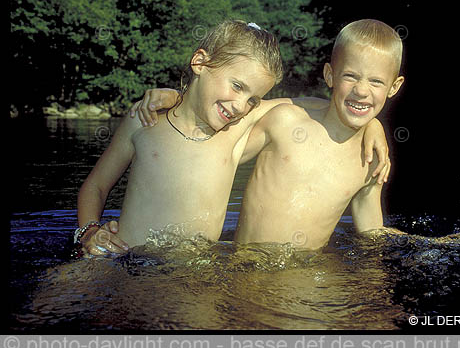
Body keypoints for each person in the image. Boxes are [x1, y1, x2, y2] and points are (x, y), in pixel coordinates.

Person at [75, 19, 391, 257]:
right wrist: (88, 232)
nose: (241, 105)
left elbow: (306, 105)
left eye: (253, 99)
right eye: (238, 87)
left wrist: (372, 124)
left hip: (193, 273)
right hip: (119, 258)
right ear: (199, 63)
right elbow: (95, 186)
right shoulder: (143, 121)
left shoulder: (233, 134)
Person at [234, 19, 407, 249]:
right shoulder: (285, 121)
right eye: (351, 76)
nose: (361, 90)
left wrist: (429, 244)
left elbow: (372, 234)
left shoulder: (371, 160)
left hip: (311, 278)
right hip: (247, 270)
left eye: (376, 81)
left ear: (394, 87)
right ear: (330, 75)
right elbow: (224, 155)